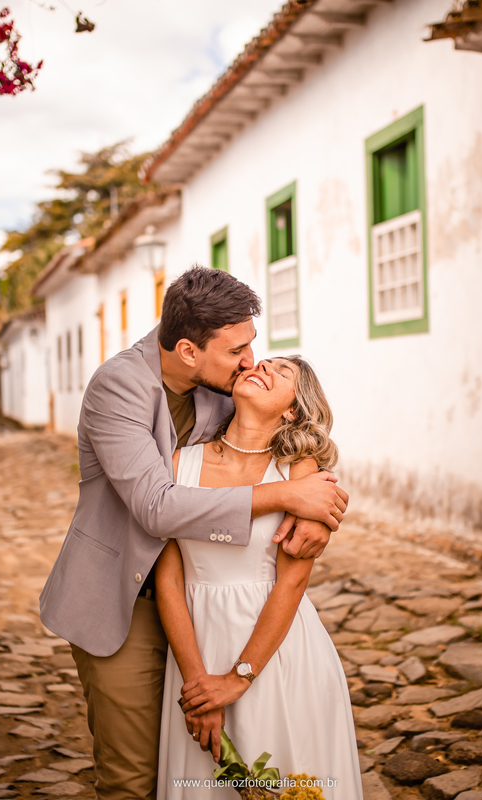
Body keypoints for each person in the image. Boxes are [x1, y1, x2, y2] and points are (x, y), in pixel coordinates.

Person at [37, 267, 349, 800]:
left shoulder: (224, 386)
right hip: (126, 599)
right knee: (135, 778)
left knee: (216, 766)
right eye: (238, 352)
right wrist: (286, 499)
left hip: (210, 616)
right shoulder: (118, 387)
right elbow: (158, 508)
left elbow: (292, 438)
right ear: (188, 350)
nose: (250, 362)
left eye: (251, 347)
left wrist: (320, 510)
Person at [155, 356, 361, 800]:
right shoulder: (178, 465)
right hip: (197, 644)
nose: (263, 366)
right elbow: (168, 581)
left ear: (292, 410)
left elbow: (291, 582)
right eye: (262, 361)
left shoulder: (300, 472)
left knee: (286, 777)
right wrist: (198, 686)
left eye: (282, 372)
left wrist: (239, 677)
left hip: (280, 654)